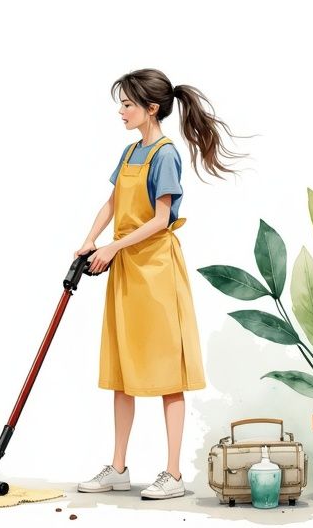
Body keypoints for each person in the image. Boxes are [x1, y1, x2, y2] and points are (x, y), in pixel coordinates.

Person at [74, 68, 245, 499]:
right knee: (121, 369)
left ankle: (172, 473)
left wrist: (113, 248)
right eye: (121, 103)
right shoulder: (131, 152)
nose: (121, 111)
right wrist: (91, 239)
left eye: (128, 104)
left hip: (155, 271)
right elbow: (112, 202)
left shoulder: (165, 154)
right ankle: (117, 468)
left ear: (151, 109)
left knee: (167, 371)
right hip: (128, 270)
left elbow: (161, 219)